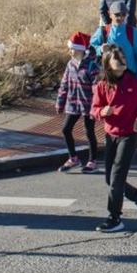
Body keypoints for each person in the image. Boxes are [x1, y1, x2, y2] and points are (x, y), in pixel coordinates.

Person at [90, 44, 137, 233]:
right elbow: (93, 109)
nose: (122, 62)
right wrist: (102, 111)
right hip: (111, 134)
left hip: (130, 134)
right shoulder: (102, 85)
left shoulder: (135, 83)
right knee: (110, 180)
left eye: (124, 59)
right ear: (108, 64)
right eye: (117, 59)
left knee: (117, 177)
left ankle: (114, 217)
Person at [56, 32, 101, 173]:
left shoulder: (91, 66)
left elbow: (97, 88)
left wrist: (96, 106)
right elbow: (64, 85)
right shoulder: (70, 64)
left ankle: (92, 161)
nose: (70, 51)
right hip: (73, 104)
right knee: (66, 129)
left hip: (88, 105)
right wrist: (60, 103)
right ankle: (73, 158)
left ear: (81, 49)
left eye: (72, 48)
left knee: (89, 132)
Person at [91, 2, 137, 82]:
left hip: (129, 79)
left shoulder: (133, 33)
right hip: (109, 80)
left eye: (123, 14)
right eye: (117, 15)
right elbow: (89, 49)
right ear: (110, 14)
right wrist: (99, 49)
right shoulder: (103, 32)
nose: (120, 18)